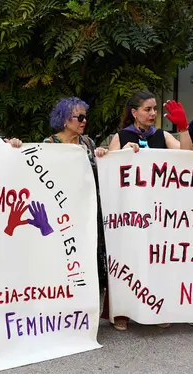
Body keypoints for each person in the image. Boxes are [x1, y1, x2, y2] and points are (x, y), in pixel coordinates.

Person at [43, 97, 109, 293]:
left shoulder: (88, 142)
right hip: (63, 210)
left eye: (85, 117)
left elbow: (97, 173)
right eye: (79, 117)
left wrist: (102, 156)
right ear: (65, 119)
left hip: (88, 210)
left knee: (89, 252)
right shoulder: (49, 144)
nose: (84, 121)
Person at [108, 90, 193, 151]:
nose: (153, 113)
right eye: (148, 109)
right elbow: (110, 165)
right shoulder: (120, 137)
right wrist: (123, 154)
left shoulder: (162, 135)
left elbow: (187, 156)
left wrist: (183, 129)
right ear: (134, 112)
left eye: (154, 108)